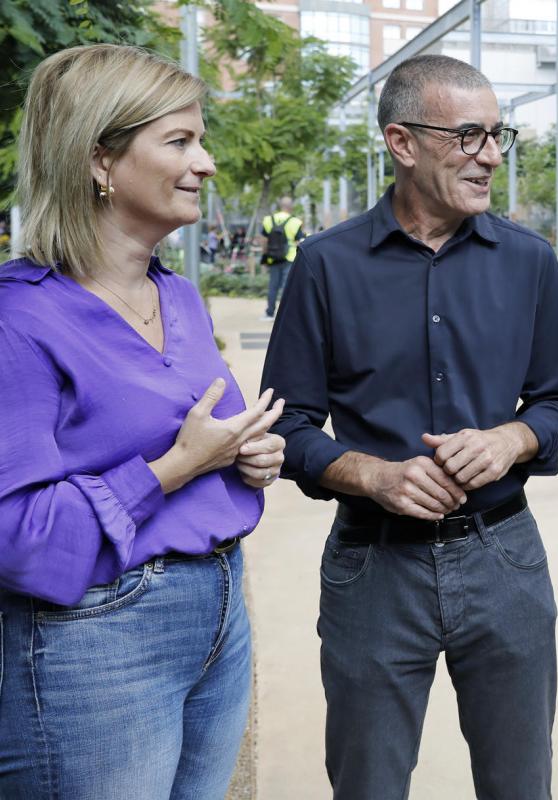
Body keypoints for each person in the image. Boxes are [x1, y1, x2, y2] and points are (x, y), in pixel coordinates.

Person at [260, 54, 558, 800]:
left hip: (504, 561)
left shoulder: (530, 262)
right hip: (372, 568)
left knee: (520, 786)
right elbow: (288, 427)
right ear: (401, 142)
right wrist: (372, 474)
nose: (492, 155)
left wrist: (510, 439)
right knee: (368, 785)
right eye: (469, 135)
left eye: (498, 135)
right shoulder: (325, 265)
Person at [0, 44, 286, 798]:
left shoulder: (179, 295)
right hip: (98, 639)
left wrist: (247, 456)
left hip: (218, 610)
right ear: (100, 159)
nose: (207, 164)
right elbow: (16, 537)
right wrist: (175, 468)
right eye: (180, 141)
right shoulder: (18, 318)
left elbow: (211, 437)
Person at [260, 195, 303, 319]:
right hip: (289, 258)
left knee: (273, 286)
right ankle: (284, 315)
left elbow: (264, 240)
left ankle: (270, 313)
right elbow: (300, 242)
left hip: (273, 257)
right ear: (291, 207)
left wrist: (265, 256)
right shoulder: (295, 222)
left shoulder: (268, 220)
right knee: (286, 287)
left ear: (280, 206)